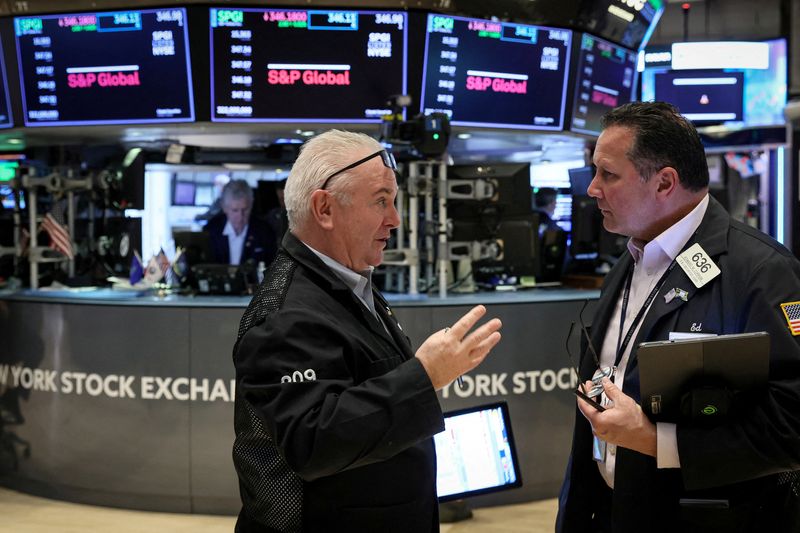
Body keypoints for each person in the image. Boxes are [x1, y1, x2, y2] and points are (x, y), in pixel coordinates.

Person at [231, 130, 503, 532]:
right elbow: (311, 442)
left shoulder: (350, 281)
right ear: (324, 208)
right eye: (381, 201)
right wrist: (424, 377)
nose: (394, 219)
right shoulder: (286, 314)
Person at [557, 102, 800, 533]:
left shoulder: (762, 271)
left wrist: (655, 442)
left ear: (664, 182)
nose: (592, 189)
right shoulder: (628, 261)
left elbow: (792, 425)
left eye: (608, 175)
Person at [205, 179, 277, 265]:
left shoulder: (264, 231)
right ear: (225, 208)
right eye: (235, 210)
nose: (240, 216)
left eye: (245, 209)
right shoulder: (211, 230)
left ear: (251, 205)